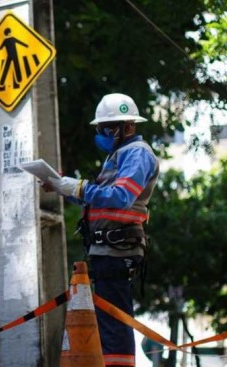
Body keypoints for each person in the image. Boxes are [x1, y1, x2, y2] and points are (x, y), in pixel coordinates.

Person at [43, 93, 159, 367]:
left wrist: (78, 186)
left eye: (106, 128)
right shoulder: (118, 156)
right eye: (100, 129)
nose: (101, 134)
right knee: (108, 324)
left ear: (128, 127)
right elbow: (95, 199)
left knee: (114, 326)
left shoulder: (137, 154)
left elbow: (120, 196)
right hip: (107, 251)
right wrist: (63, 186)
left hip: (118, 251)